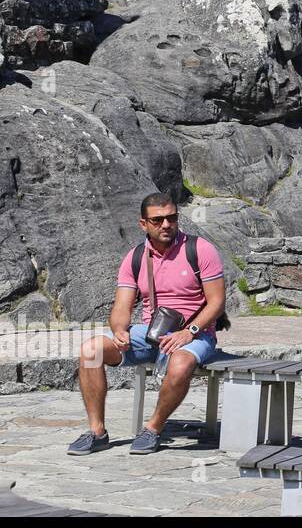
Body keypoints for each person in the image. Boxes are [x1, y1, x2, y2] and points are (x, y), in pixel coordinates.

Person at [68, 194, 225, 456]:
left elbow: (217, 302)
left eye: (172, 218)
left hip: (195, 333)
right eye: (158, 219)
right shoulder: (136, 257)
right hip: (152, 333)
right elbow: (121, 307)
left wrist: (190, 332)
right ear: (144, 224)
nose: (166, 224)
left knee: (181, 363)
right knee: (90, 350)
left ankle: (152, 429)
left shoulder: (200, 250)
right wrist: (119, 330)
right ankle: (97, 432)